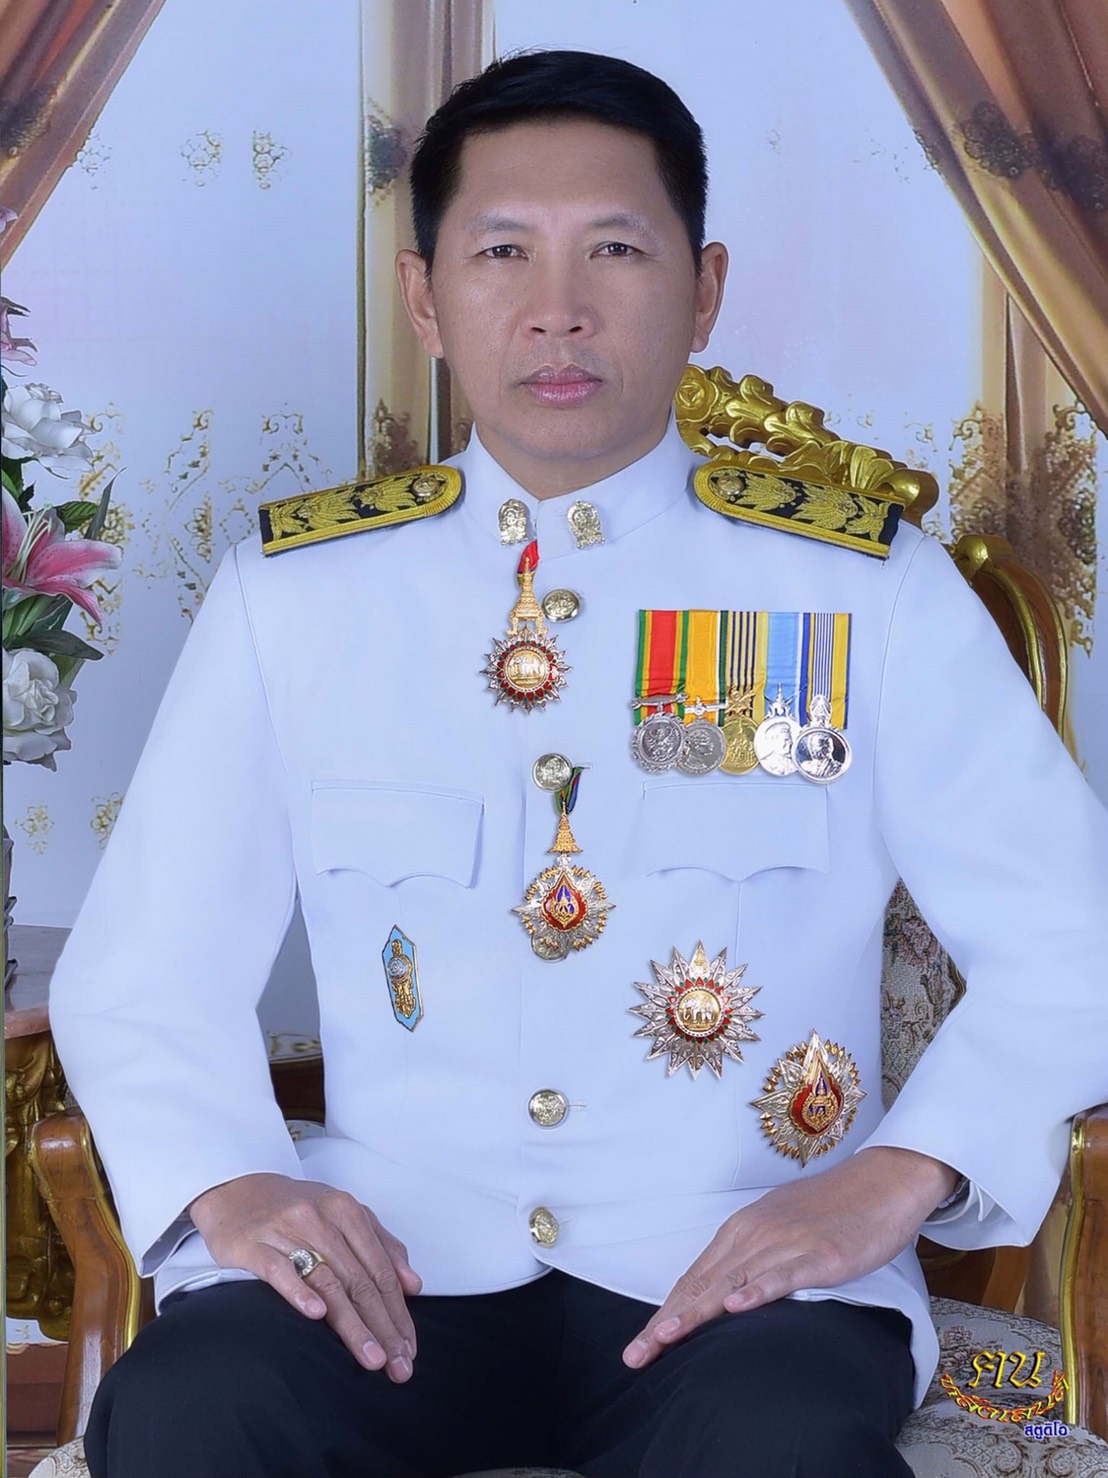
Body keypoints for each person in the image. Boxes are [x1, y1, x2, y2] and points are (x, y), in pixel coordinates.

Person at [49, 48, 1108, 1478]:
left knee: (783, 1443)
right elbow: (141, 969)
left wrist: (894, 1176)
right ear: (426, 297)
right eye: (503, 253)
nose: (559, 307)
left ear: (705, 287)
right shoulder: (296, 597)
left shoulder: (867, 593)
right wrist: (233, 1180)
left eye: (616, 248)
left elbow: (1077, 936)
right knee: (194, 1405)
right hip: (395, 1261)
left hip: (741, 1273)